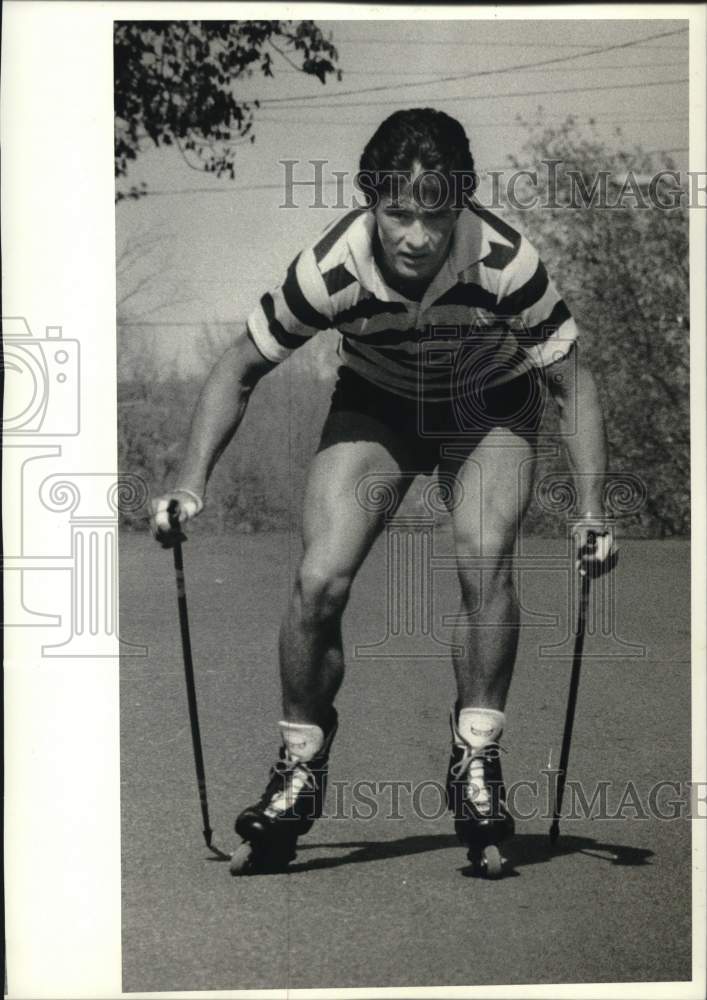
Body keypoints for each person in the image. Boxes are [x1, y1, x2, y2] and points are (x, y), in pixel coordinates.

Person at [151, 108, 617, 877]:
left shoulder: (504, 261)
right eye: (396, 212)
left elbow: (573, 383)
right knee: (317, 579)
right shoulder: (329, 270)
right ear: (371, 201)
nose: (414, 235)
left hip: (487, 403)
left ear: (459, 203)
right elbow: (238, 366)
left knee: (484, 553)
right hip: (381, 402)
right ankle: (299, 767)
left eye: (434, 214)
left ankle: (475, 757)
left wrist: (592, 509)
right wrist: (188, 486)